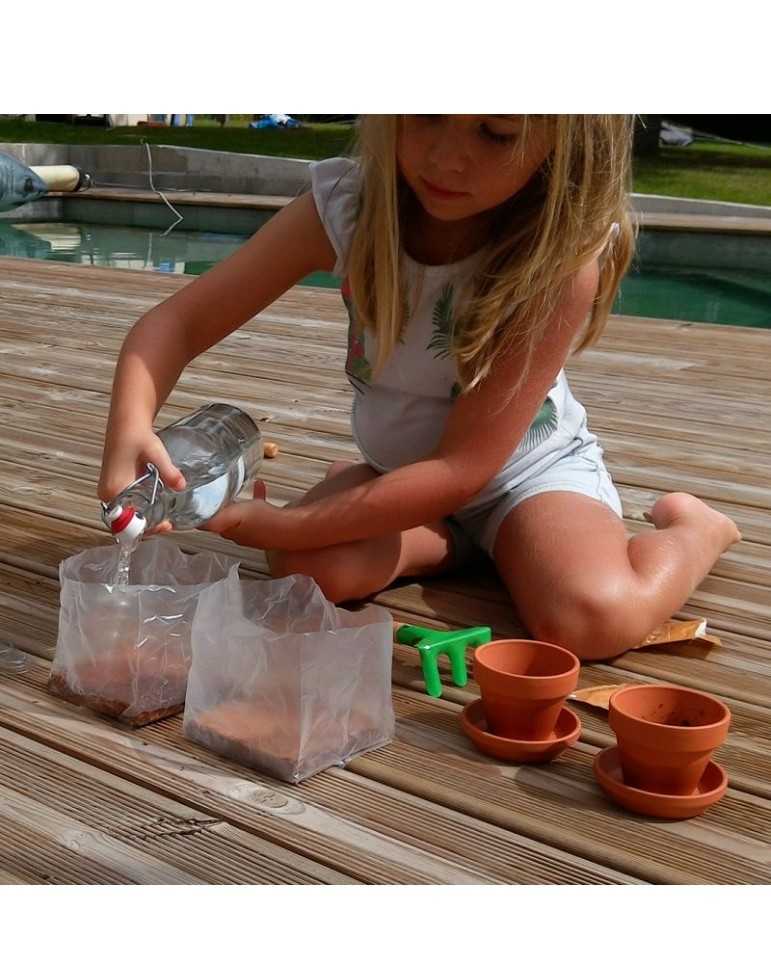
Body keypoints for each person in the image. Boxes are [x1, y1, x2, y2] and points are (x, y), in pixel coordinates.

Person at [98, 115, 740, 659]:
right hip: (404, 471)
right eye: (427, 113)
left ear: (566, 144)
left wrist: (285, 525)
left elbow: (463, 468)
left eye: (496, 134)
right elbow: (177, 324)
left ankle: (697, 529)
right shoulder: (348, 207)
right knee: (307, 572)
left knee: (590, 618)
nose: (446, 158)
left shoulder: (558, 256)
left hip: (523, 477)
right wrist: (130, 424)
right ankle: (453, 541)